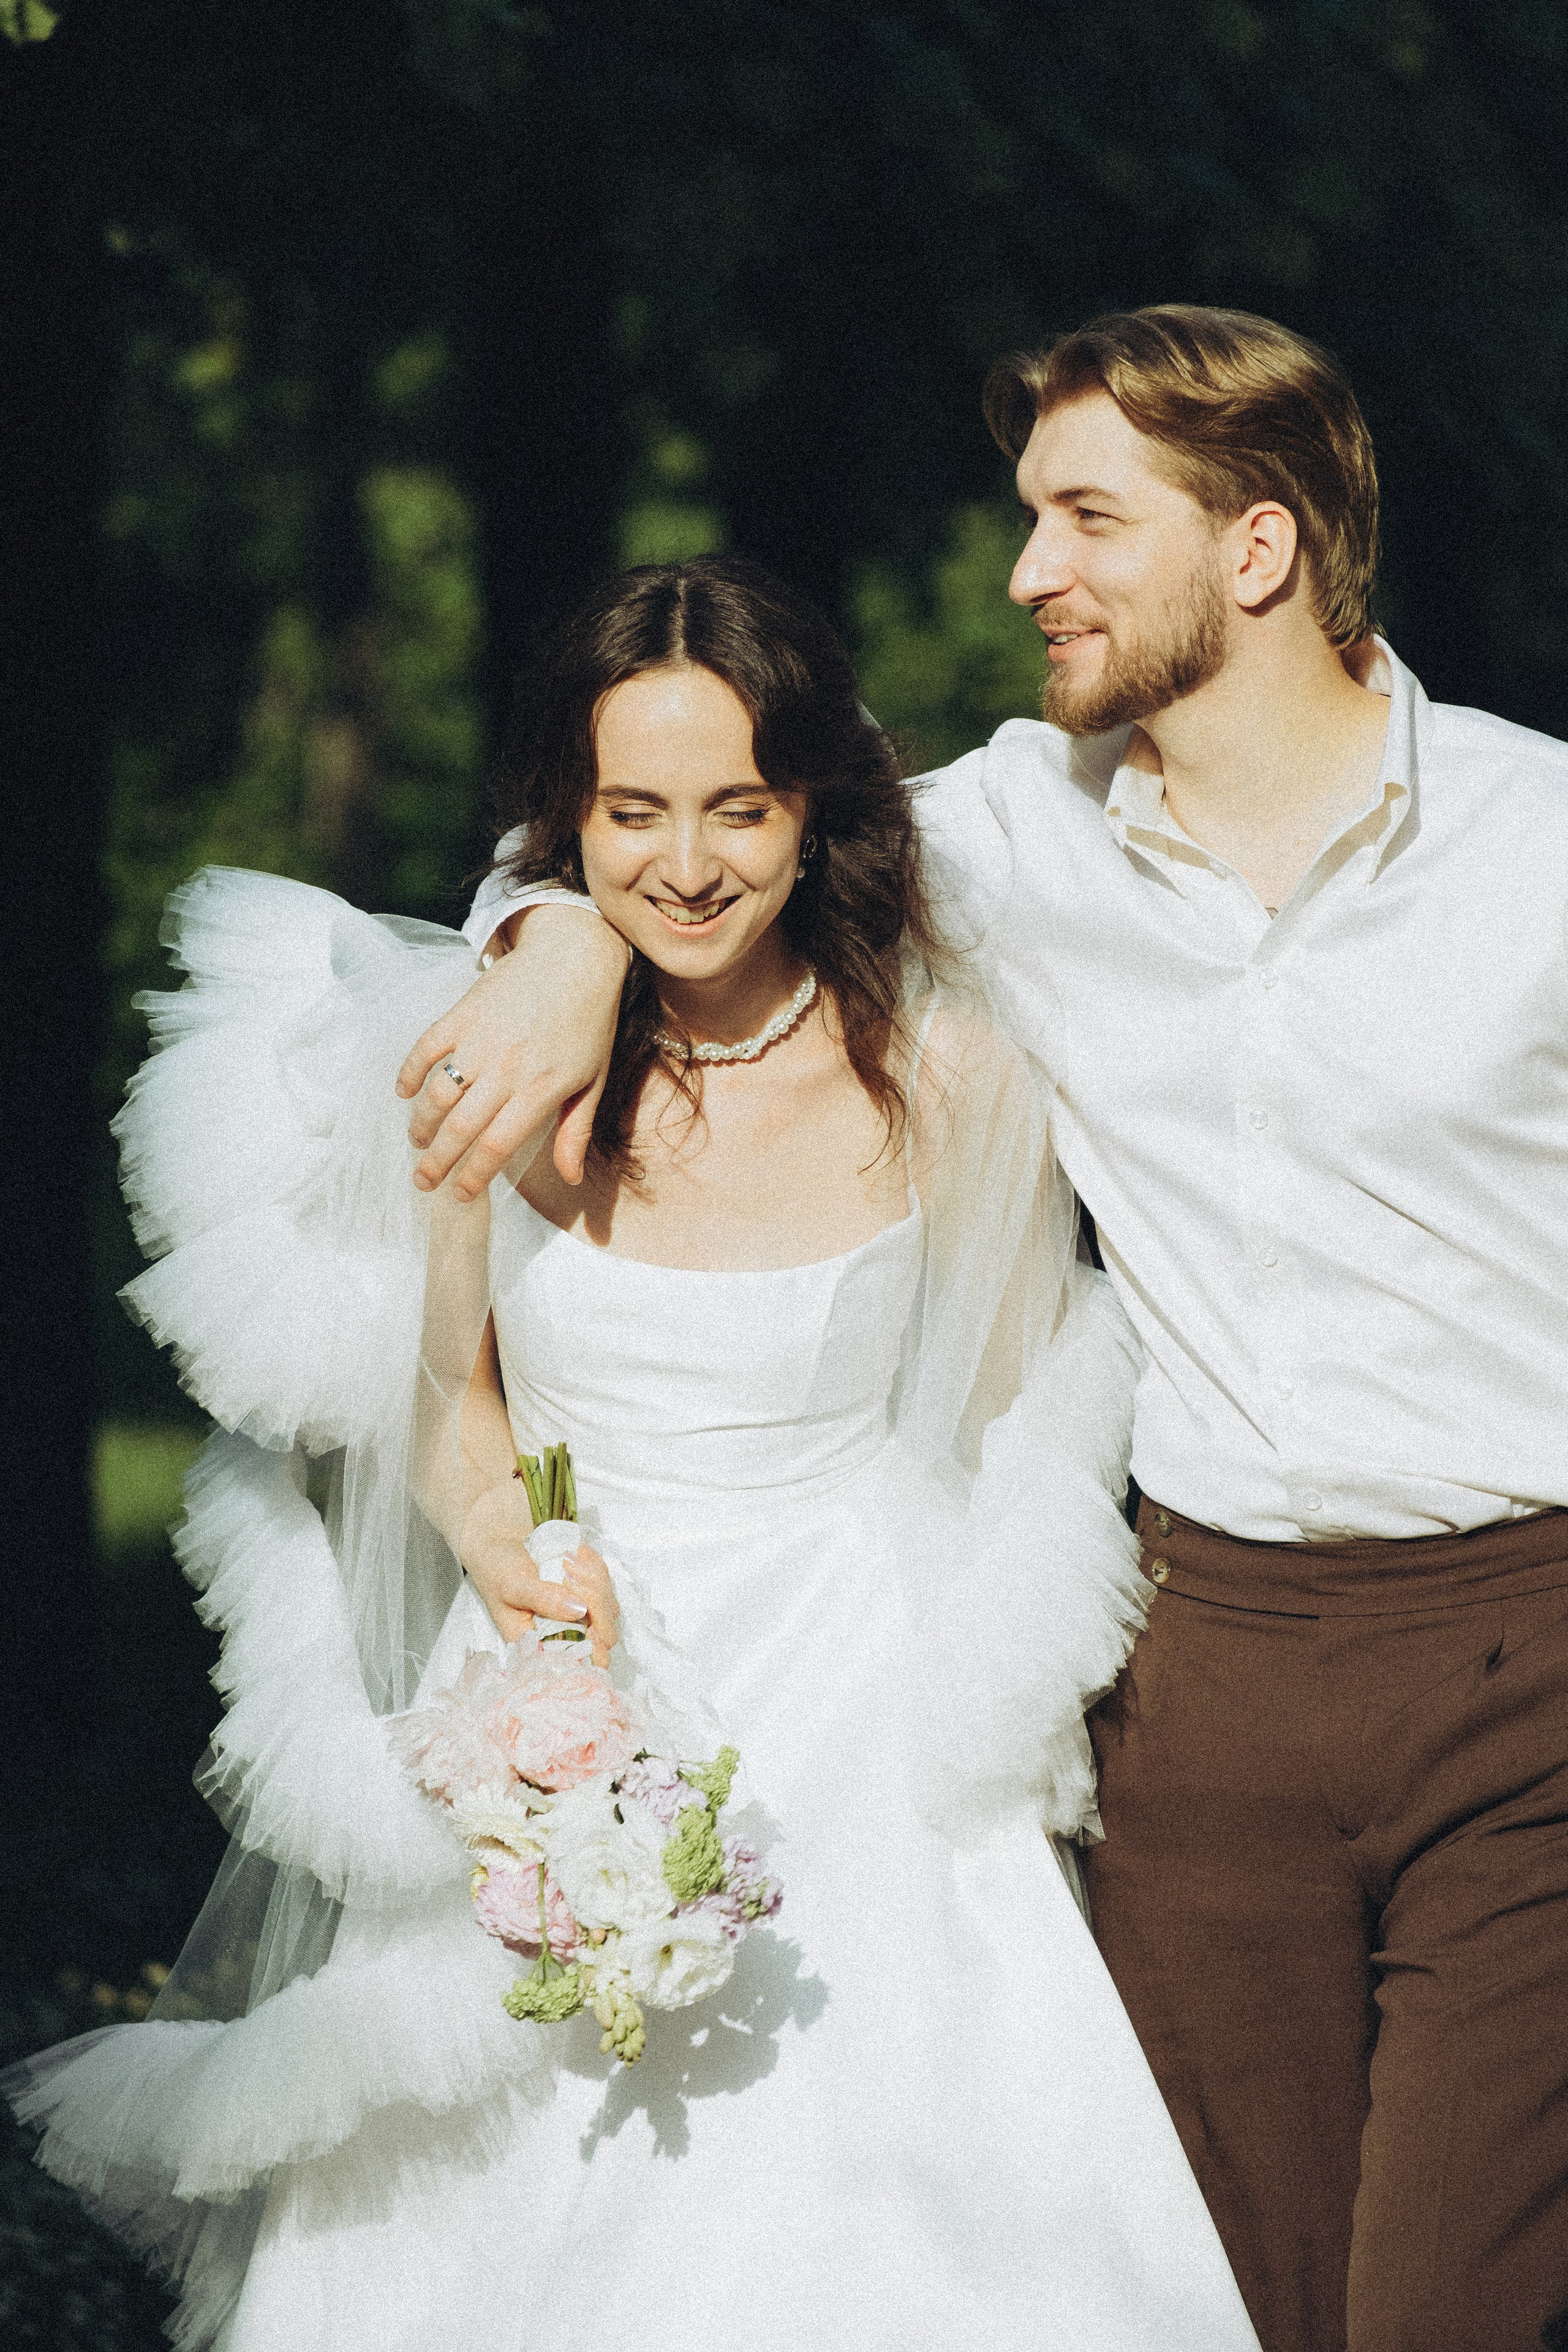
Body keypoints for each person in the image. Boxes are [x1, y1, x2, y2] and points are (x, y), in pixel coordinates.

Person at [412, 309, 1568, 2352]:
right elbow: (702, 831)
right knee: (1240, 2303)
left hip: (1527, 1655)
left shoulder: (1538, 843)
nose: (1026, 571)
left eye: (1082, 520)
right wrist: (557, 940)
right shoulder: (1011, 833)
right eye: (1029, 515)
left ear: (1261, 545)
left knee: (1442, 2312)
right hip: (1202, 1676)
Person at [6, 558, 1259, 2351]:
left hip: (861, 1684)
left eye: (740, 807)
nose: (686, 863)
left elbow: (1013, 1415)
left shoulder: (957, 1070)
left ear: (814, 804)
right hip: (563, 1670)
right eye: (633, 813)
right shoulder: (493, 1074)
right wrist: (510, 1567)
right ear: (567, 821)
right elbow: (456, 1403)